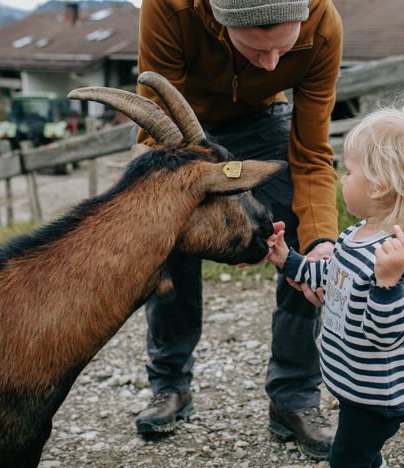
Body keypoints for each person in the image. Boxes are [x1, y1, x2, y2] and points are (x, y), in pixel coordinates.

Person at [133, 0, 343, 460]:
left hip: (263, 124)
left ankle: (294, 398)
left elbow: (311, 155)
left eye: (281, 51)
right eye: (255, 50)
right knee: (170, 235)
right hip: (181, 127)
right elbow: (156, 124)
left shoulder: (324, 26)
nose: (270, 64)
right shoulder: (168, 9)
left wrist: (324, 242)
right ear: (219, 19)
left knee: (305, 236)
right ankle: (169, 385)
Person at [265, 106, 404, 467]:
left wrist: (387, 285)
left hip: (380, 395)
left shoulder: (395, 259)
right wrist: (288, 260)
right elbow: (333, 282)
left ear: (380, 187)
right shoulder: (357, 234)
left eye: (350, 171)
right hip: (357, 386)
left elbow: (390, 332)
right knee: (362, 453)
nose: (341, 179)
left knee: (348, 457)